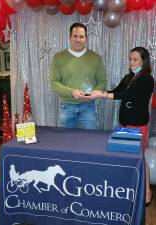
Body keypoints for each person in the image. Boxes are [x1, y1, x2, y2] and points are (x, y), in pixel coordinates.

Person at [90, 47, 154, 204]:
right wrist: (100, 92)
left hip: (138, 124)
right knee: (124, 156)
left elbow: (127, 95)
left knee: (139, 158)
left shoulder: (147, 79)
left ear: (143, 61)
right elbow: (116, 91)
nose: (131, 62)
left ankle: (146, 192)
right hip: (124, 122)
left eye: (135, 59)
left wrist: (105, 95)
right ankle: (127, 188)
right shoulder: (128, 77)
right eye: (130, 59)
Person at [50, 22, 106, 129]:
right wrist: (71, 92)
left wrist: (93, 94)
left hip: (88, 107)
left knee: (88, 142)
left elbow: (102, 81)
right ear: (70, 37)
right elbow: (54, 82)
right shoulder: (58, 57)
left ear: (86, 38)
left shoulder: (95, 57)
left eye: (81, 36)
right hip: (67, 107)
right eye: (75, 36)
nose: (78, 40)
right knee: (65, 143)